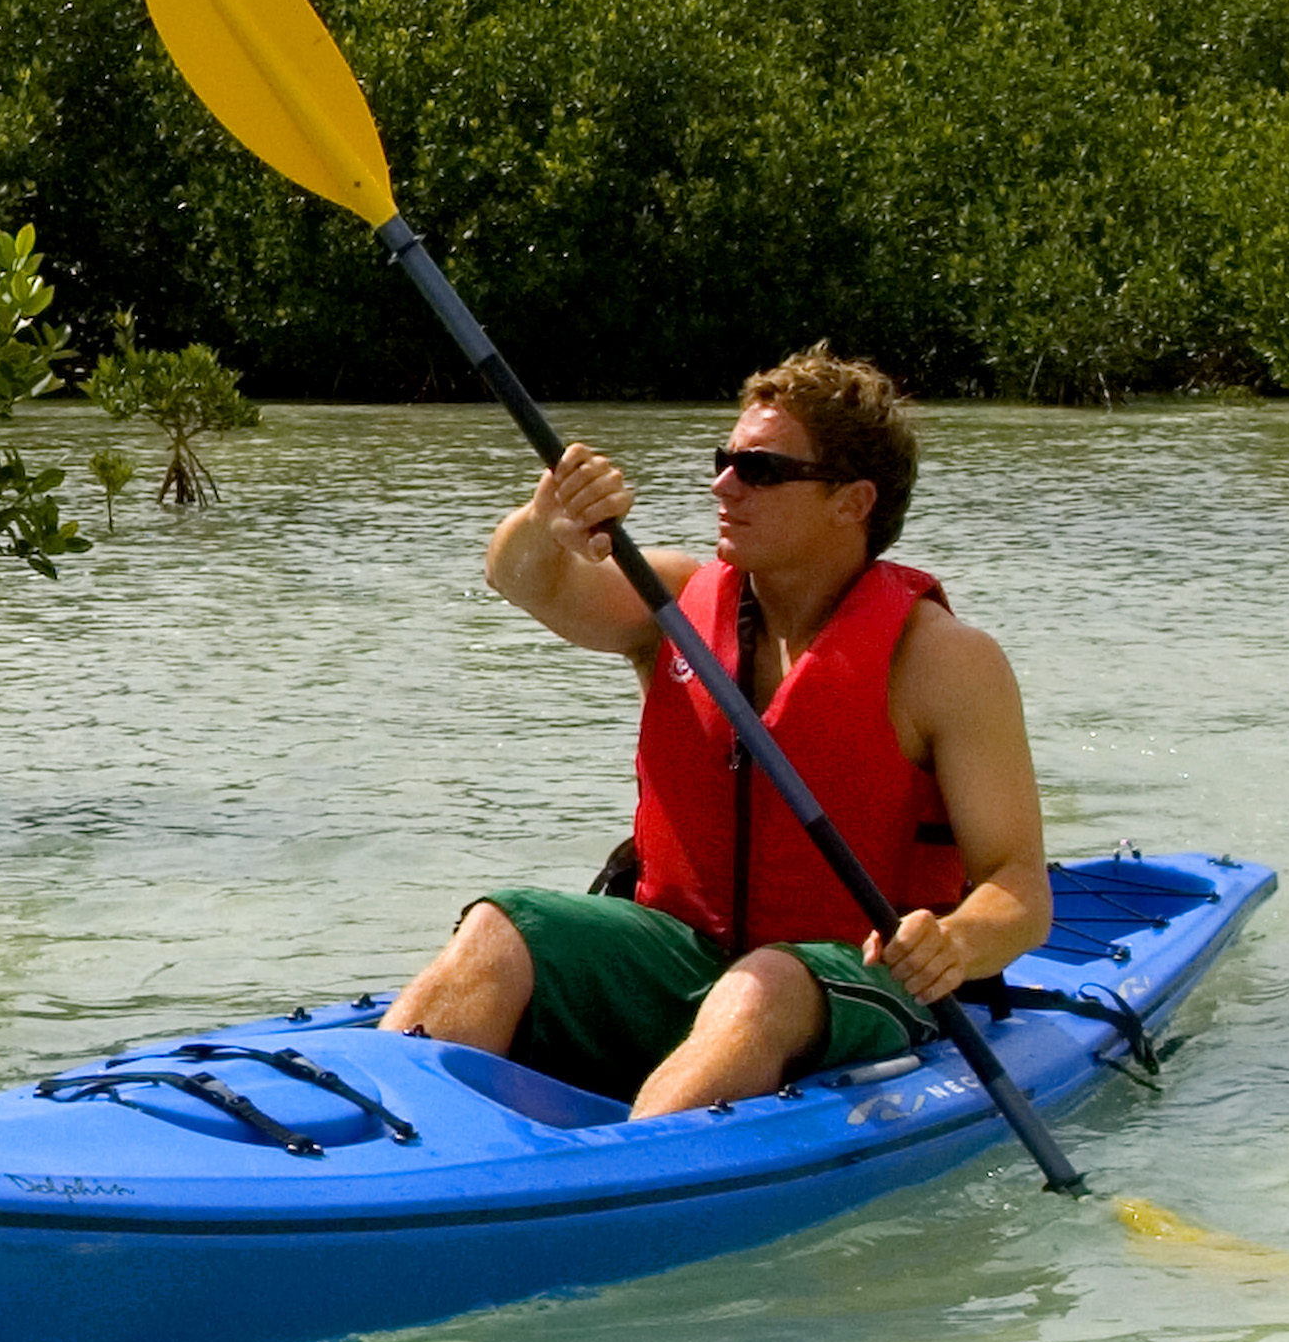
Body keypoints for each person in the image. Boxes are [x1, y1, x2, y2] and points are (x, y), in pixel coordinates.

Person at [376, 346, 1047, 1113]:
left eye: (760, 470)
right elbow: (524, 580)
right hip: (685, 954)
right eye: (724, 459)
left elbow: (1019, 887)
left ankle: (625, 1185)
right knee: (499, 929)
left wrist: (955, 942)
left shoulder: (946, 662)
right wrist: (543, 522)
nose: (722, 484)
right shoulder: (672, 603)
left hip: (859, 982)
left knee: (761, 987)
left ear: (852, 502)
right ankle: (385, 1142)